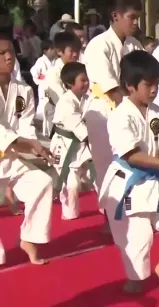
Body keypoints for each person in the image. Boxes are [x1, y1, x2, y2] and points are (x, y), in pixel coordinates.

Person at [99, 50, 159, 295]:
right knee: (139, 242)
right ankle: (135, 277)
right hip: (127, 184)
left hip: (152, 180)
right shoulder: (120, 115)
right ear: (129, 86)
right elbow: (131, 155)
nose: (154, 90)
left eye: (156, 84)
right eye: (148, 85)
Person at [83, 0, 143, 232]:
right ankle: (110, 216)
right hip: (102, 111)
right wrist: (131, 110)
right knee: (107, 166)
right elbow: (110, 87)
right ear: (116, 16)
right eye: (132, 17)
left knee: (133, 161)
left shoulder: (135, 45)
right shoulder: (99, 45)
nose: (136, 23)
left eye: (138, 18)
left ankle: (134, 211)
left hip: (129, 109)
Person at [0, 34, 55, 265]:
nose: (9, 56)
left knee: (42, 182)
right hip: (6, 146)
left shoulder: (22, 90)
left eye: (11, 51)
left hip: (10, 156)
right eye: (2, 53)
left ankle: (30, 239)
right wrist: (28, 143)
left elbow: (25, 125)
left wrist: (36, 147)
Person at [50, 62, 93, 220]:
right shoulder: (66, 102)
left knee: (99, 176)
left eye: (87, 79)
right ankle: (70, 214)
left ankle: (108, 211)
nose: (86, 83)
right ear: (70, 83)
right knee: (71, 184)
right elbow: (80, 128)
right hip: (65, 145)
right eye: (82, 80)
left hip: (82, 145)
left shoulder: (88, 99)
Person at [43, 31, 82, 138]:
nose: (75, 54)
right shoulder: (53, 74)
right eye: (71, 50)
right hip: (61, 121)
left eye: (77, 51)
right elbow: (61, 100)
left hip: (80, 116)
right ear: (60, 51)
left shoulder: (80, 69)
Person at [30, 39, 56, 137]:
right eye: (51, 49)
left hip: (53, 89)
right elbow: (34, 74)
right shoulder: (41, 61)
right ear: (45, 51)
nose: (54, 51)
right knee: (43, 111)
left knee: (52, 112)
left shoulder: (55, 61)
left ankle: (50, 132)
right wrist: (44, 79)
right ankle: (42, 133)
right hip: (44, 89)